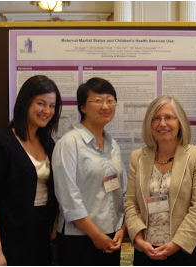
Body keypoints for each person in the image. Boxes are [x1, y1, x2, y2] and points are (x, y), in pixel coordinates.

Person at [0, 75, 62, 266]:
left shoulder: (47, 143)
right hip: (8, 235)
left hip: (39, 233)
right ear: (25, 102)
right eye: (41, 103)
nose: (47, 111)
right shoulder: (0, 142)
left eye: (52, 106)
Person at [124, 95, 196, 266]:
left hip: (187, 249)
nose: (162, 123)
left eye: (169, 117)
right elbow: (130, 203)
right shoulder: (138, 158)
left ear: (180, 122)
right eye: (156, 118)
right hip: (147, 250)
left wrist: (176, 244)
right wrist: (139, 239)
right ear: (149, 124)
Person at [52, 77, 127, 266]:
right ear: (83, 107)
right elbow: (69, 199)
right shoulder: (69, 144)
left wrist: (122, 229)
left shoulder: (113, 145)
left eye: (110, 100)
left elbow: (123, 190)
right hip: (79, 239)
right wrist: (96, 235)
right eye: (98, 100)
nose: (106, 106)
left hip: (112, 237)